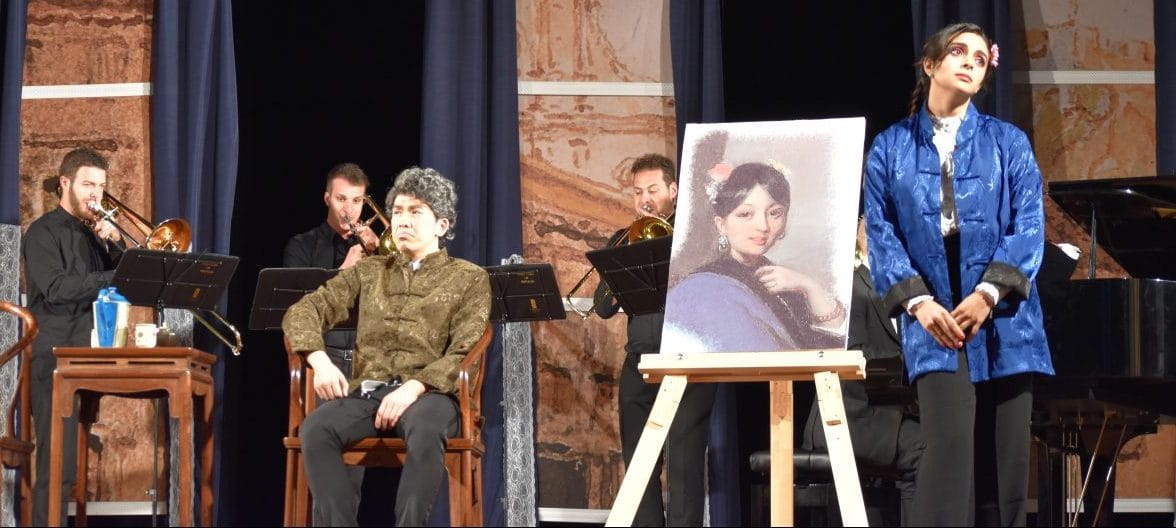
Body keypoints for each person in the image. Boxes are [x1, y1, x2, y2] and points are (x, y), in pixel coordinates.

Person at [864, 22, 1052, 526]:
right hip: (934, 315)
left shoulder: (1008, 142)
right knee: (947, 452)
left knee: (1005, 462)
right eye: (958, 52)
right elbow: (880, 233)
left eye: (979, 57)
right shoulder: (890, 147)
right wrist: (918, 303)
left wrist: (989, 292)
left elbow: (1029, 225)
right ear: (930, 65)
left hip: (1005, 312)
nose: (970, 61)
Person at [282, 166, 490, 526]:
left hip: (431, 396)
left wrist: (413, 388)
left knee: (425, 427)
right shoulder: (370, 271)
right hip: (371, 392)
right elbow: (302, 312)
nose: (403, 220)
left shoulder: (469, 278)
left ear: (441, 225)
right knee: (316, 428)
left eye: (416, 212)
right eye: (397, 211)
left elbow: (464, 349)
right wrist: (321, 361)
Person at [592, 153, 715, 526]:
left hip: (689, 362)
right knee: (639, 464)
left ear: (673, 190)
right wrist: (623, 256)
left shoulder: (696, 233)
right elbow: (603, 307)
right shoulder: (624, 237)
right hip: (640, 362)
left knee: (684, 462)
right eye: (638, 192)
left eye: (653, 190)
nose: (645, 199)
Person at [23, 148, 126, 525]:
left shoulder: (96, 235)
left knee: (71, 467)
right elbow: (56, 288)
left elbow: (128, 282)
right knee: (59, 467)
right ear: (65, 183)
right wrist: (111, 276)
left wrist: (116, 244)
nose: (95, 194)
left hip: (92, 353)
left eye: (100, 186)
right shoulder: (42, 232)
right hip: (55, 357)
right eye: (88, 184)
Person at [800, 217, 924, 526]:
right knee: (923, 448)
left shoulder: (903, 287)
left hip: (879, 412)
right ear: (861, 232)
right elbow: (855, 356)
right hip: (847, 414)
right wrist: (912, 359)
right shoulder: (850, 287)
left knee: (942, 440)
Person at [662, 161, 846, 352]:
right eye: (745, 214)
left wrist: (808, 284)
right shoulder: (703, 287)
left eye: (774, 213)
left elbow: (831, 345)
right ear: (721, 225)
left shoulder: (783, 280)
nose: (763, 226)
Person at [282, 162, 378, 523]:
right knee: (328, 467)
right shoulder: (302, 246)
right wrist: (344, 273)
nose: (349, 209)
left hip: (368, 361)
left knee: (354, 469)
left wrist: (383, 258)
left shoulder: (376, 248)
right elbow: (298, 312)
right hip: (324, 361)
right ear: (327, 198)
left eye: (357, 200)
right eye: (341, 199)